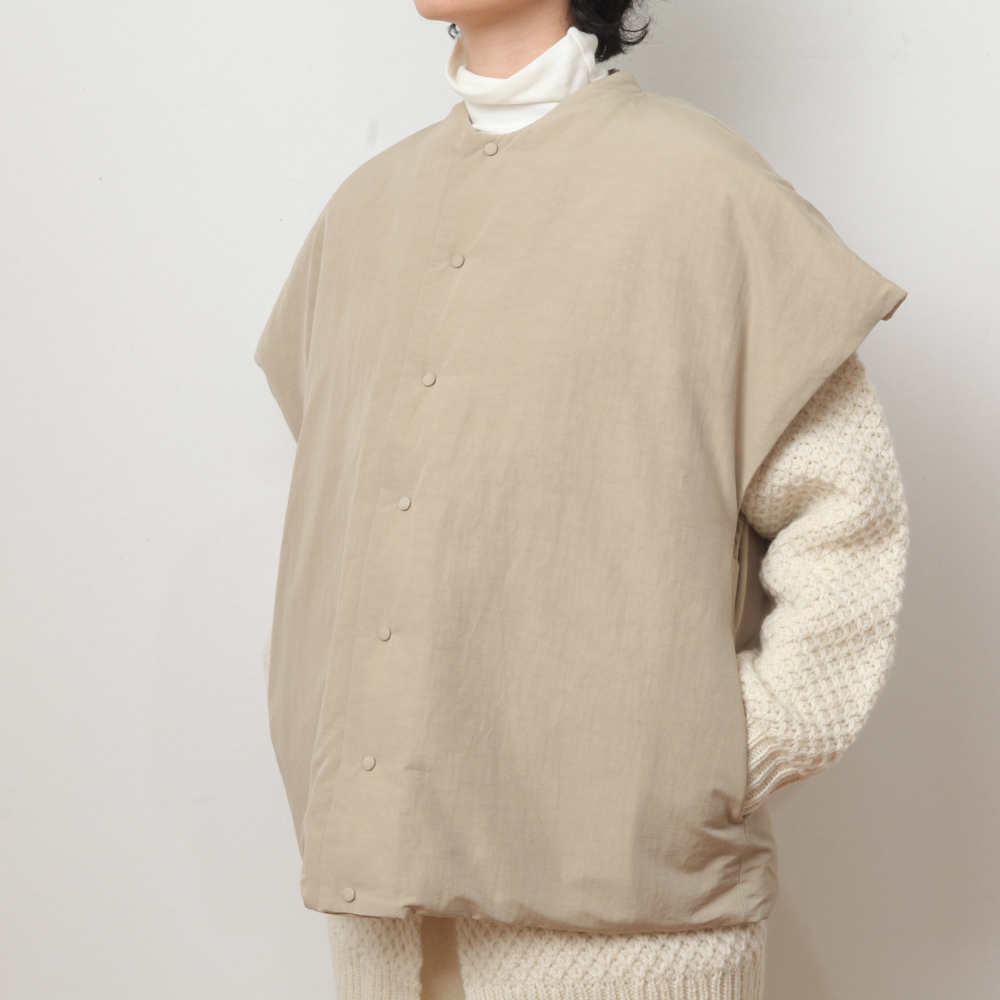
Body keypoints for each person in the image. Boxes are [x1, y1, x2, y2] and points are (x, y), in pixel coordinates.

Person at [254, 2, 909, 998]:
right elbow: (360, 504)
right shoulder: (365, 209)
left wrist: (732, 744)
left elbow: (844, 508)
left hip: (628, 917)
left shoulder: (703, 191)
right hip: (380, 897)